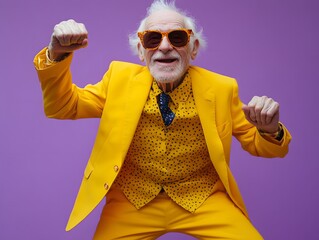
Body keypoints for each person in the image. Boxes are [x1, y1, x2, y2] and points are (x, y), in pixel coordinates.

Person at [34, 0, 291, 239]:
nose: (165, 47)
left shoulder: (221, 89)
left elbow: (261, 145)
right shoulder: (118, 80)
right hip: (131, 201)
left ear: (194, 49)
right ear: (140, 50)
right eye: (153, 38)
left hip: (204, 199)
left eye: (177, 37)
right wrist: (56, 55)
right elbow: (63, 107)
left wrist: (270, 129)